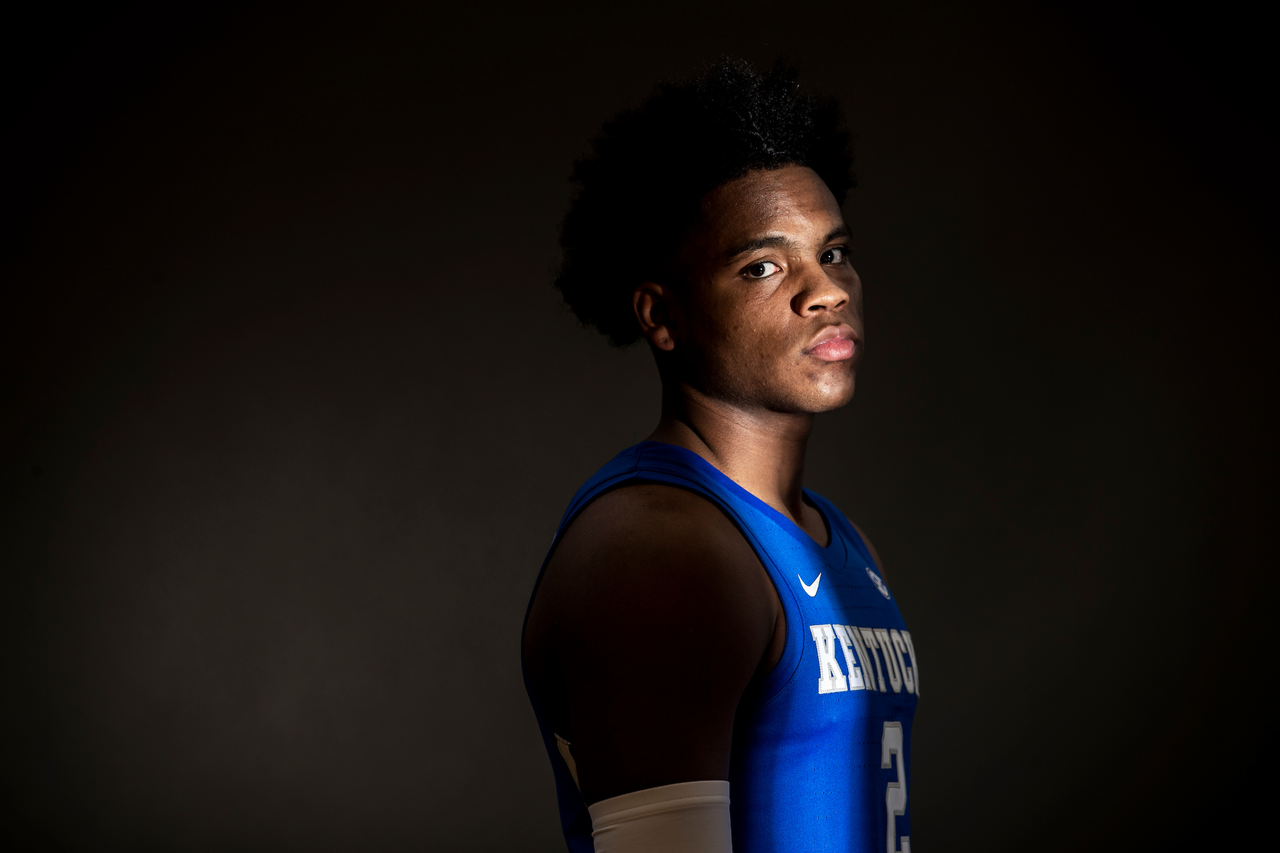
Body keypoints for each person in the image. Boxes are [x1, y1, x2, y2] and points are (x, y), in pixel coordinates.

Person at [521, 59, 919, 853]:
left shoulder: (843, 544)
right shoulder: (661, 554)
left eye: (833, 253)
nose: (826, 290)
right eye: (764, 267)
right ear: (662, 316)